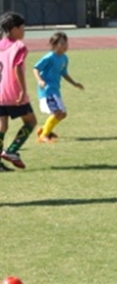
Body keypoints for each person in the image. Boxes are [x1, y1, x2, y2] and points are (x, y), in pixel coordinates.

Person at [0, 12, 37, 170]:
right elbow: (17, 68)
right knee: (31, 122)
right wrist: (22, 90)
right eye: (22, 28)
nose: (24, 31)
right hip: (13, 92)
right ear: (14, 29)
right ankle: (12, 151)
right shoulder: (19, 46)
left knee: (2, 126)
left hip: (0, 92)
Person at [33, 32, 84, 143]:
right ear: (54, 44)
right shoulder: (49, 57)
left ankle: (45, 130)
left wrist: (74, 83)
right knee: (57, 113)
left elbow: (64, 73)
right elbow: (36, 68)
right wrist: (40, 80)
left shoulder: (64, 58)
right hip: (47, 90)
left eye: (66, 42)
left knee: (63, 114)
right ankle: (43, 136)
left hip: (55, 90)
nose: (65, 45)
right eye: (62, 43)